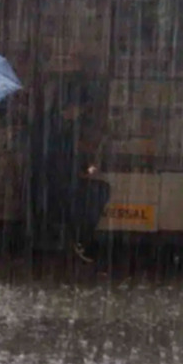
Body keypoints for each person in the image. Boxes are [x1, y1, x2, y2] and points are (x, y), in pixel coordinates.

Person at [36, 83, 111, 263]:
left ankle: (80, 238)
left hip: (52, 182)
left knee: (95, 192)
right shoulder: (62, 129)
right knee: (99, 192)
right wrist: (84, 170)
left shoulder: (53, 124)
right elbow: (63, 159)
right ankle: (82, 238)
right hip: (57, 183)